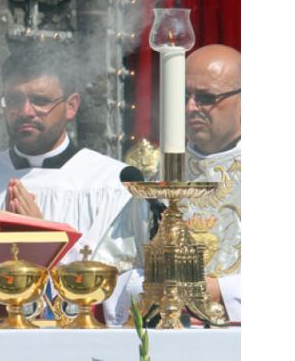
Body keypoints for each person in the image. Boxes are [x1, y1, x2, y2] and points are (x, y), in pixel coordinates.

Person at [0, 46, 143, 264]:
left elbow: (123, 274)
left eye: (40, 101)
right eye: (14, 100)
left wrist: (45, 241)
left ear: (71, 106)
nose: (25, 111)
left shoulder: (112, 184)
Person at [101, 44, 241, 324]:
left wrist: (221, 291)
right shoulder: (160, 179)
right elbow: (112, 266)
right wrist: (158, 291)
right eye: (184, 96)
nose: (190, 108)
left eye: (206, 98)